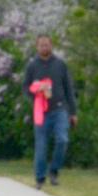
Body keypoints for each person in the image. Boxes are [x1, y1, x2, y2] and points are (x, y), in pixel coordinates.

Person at [22, 34, 77, 188]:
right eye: (41, 45)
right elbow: (25, 87)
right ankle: (40, 178)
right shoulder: (32, 66)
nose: (44, 48)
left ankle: (54, 171)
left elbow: (68, 89)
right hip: (41, 112)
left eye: (47, 45)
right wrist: (37, 90)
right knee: (41, 146)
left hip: (60, 109)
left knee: (62, 140)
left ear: (51, 46)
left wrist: (73, 112)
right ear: (37, 47)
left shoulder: (60, 64)